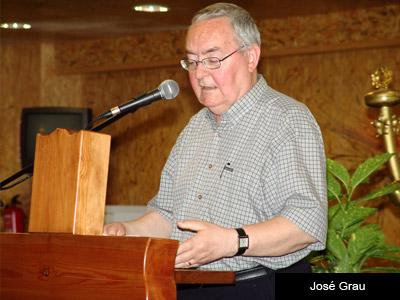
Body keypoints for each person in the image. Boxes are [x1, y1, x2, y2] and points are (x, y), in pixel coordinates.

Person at [104, 3, 327, 299]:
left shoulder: (287, 120)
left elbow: (307, 222)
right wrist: (127, 232)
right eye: (192, 62)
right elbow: (168, 214)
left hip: (257, 287)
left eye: (212, 59)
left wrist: (233, 241)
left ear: (251, 56)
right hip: (182, 287)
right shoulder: (195, 128)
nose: (200, 74)